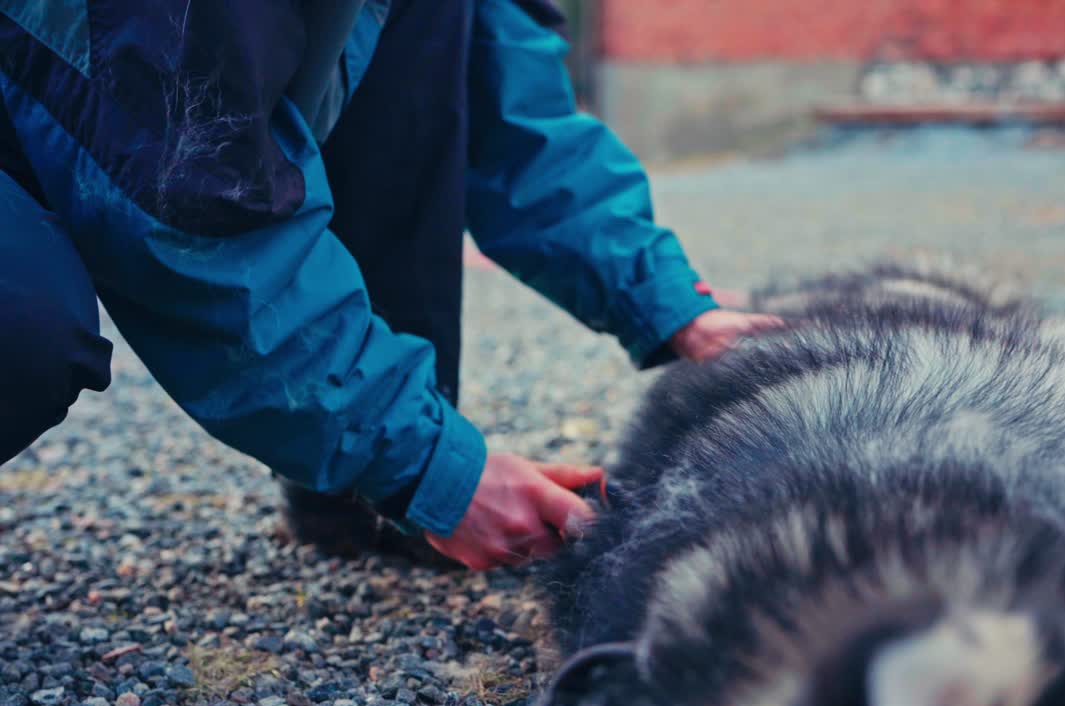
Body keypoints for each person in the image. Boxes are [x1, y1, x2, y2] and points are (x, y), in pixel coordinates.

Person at [0, 1, 778, 570]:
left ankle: (362, 497)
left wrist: (670, 303)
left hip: (142, 109)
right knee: (22, 331)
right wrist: (428, 464)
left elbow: (513, 113)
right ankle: (391, 467)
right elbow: (188, 197)